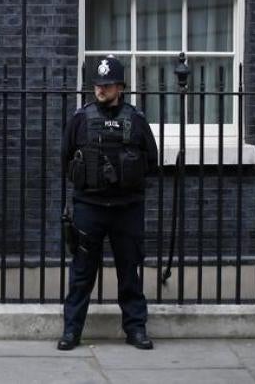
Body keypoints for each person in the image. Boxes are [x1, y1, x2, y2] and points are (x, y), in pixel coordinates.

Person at [58, 55, 159, 351]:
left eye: (107, 84)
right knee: (81, 273)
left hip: (127, 208)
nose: (100, 89)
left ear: (121, 87)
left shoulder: (136, 120)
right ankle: (71, 331)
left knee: (129, 272)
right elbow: (66, 158)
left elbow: (151, 161)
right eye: (97, 84)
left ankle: (136, 329)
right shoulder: (81, 118)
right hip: (89, 207)